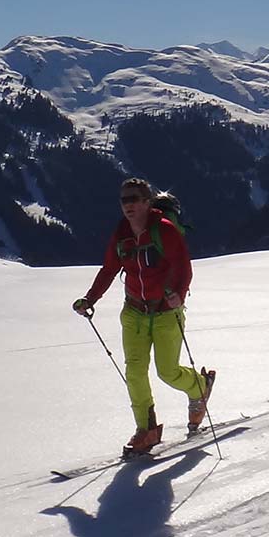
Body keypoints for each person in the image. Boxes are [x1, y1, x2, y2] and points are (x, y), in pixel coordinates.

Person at [72, 177, 215, 456]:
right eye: (124, 200)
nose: (128, 205)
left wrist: (179, 294)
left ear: (148, 202)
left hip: (165, 312)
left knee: (167, 371)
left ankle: (199, 387)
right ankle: (146, 430)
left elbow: (183, 267)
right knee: (135, 371)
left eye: (134, 199)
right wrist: (90, 298)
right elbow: (110, 268)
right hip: (134, 312)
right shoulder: (122, 234)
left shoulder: (164, 230)